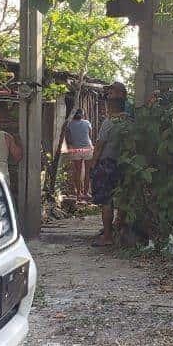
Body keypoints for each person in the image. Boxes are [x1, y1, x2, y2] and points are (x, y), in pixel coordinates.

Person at [89, 91, 127, 246]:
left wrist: (92, 164)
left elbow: (99, 146)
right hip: (124, 163)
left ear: (110, 105)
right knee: (123, 198)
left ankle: (107, 237)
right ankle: (118, 229)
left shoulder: (109, 122)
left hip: (107, 164)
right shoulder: (129, 120)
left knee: (106, 200)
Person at [64, 108, 93, 200]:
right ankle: (86, 193)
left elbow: (68, 138)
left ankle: (78, 193)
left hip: (76, 149)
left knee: (78, 171)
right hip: (87, 148)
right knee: (87, 172)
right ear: (82, 115)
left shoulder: (69, 124)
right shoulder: (87, 122)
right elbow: (89, 134)